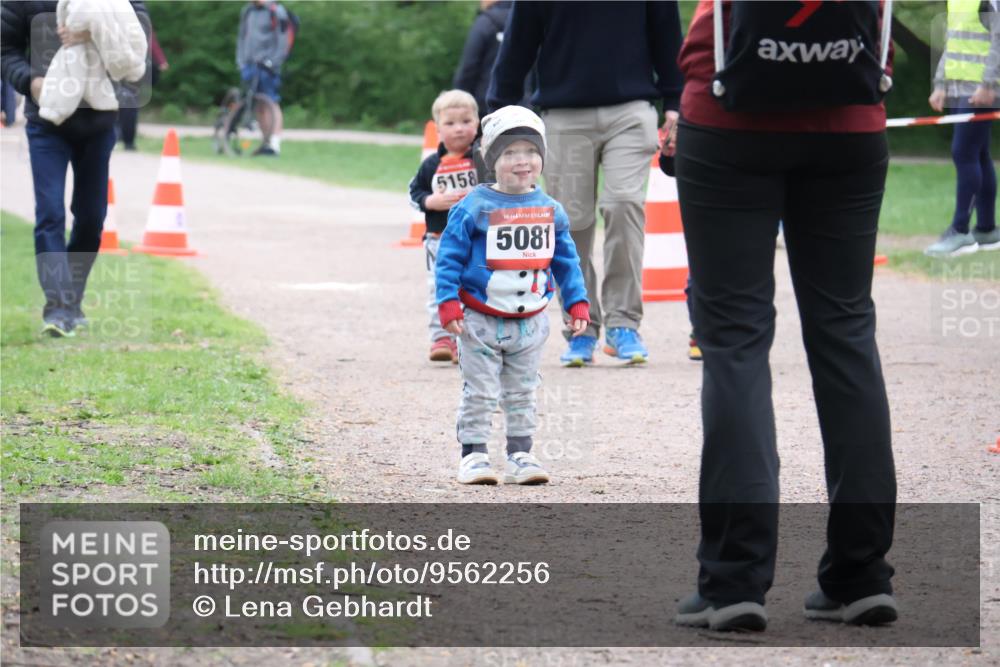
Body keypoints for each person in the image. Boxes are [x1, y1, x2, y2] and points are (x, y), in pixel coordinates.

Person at [671, 1, 898, 631]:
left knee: (735, 344)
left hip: (729, 119)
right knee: (847, 334)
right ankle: (861, 575)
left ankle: (733, 581)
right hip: (850, 118)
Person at [487, 1, 683, 366]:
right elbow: (518, 43)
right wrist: (500, 107)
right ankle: (582, 326)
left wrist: (675, 100)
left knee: (623, 204)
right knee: (573, 224)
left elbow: (668, 36)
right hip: (564, 115)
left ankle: (623, 323)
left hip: (631, 109)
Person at [435, 105, 589, 485]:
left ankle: (521, 453)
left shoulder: (551, 209)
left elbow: (566, 259)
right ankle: (474, 455)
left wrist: (576, 301)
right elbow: (448, 259)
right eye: (509, 153)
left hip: (531, 321)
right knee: (481, 391)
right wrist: (448, 302)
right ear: (491, 159)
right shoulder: (472, 207)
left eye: (531, 152)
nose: (522, 161)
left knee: (523, 390)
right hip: (480, 320)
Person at [1, 0, 148, 337]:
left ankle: (72, 302)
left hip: (98, 122)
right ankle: (57, 308)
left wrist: (97, 28)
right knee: (50, 213)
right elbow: (5, 48)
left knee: (91, 217)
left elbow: (139, 30)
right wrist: (30, 81)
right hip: (46, 122)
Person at [409, 90, 484, 363]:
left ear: (477, 123)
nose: (459, 128)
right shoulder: (432, 165)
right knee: (440, 286)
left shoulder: (484, 160)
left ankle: (470, 340)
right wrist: (431, 200)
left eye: (466, 121)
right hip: (440, 238)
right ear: (438, 128)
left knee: (475, 288)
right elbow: (414, 192)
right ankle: (442, 337)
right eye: (450, 123)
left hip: (477, 239)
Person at [924, 0, 1000, 256]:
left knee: (963, 152)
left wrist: (988, 84)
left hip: (981, 88)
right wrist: (940, 84)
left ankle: (960, 231)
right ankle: (987, 230)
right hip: (960, 86)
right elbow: (953, 42)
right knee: (978, 153)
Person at [452, 1, 530, 115]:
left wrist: (457, 102)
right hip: (522, 107)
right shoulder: (527, 20)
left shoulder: (484, 23)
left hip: (486, 106)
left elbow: (469, 67)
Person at [236, 0, 292, 156]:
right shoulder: (248, 11)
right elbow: (242, 37)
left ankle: (275, 144)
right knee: (259, 105)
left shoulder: (277, 12)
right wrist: (240, 61)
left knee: (271, 103)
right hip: (248, 64)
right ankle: (265, 142)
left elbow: (283, 42)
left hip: (268, 67)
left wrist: (272, 62)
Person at [118, 29, 168, 151]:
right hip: (131, 68)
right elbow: (151, 41)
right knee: (128, 104)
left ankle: (122, 138)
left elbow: (151, 41)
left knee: (122, 104)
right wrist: (161, 60)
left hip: (125, 68)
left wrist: (160, 60)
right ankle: (127, 141)